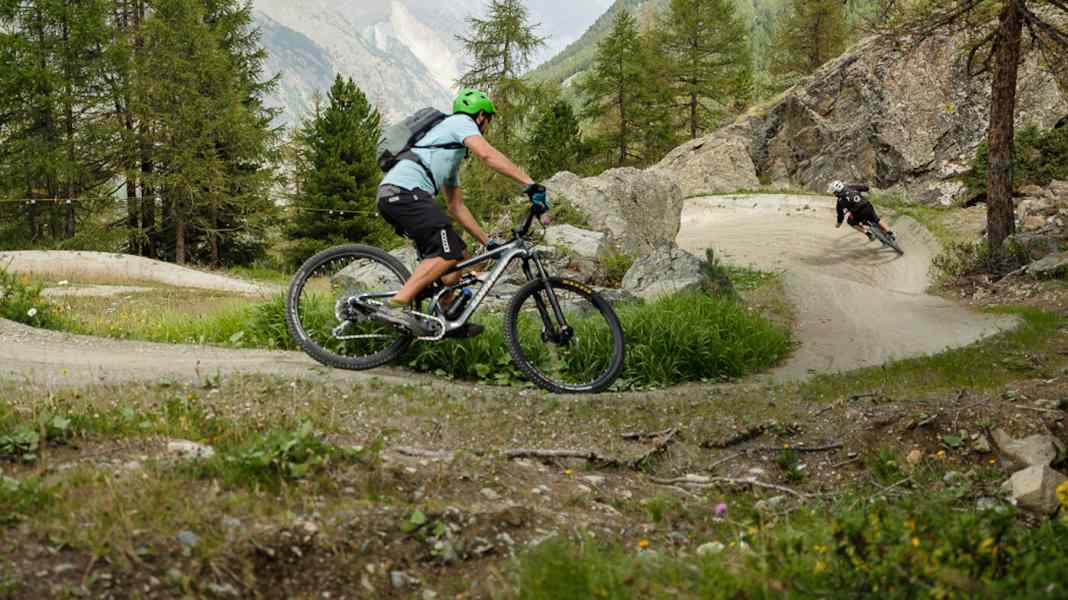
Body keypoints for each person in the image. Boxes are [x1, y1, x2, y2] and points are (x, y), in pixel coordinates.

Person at [374, 88, 548, 336]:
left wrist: (488, 242)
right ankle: (394, 306)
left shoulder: (449, 153)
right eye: (488, 120)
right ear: (480, 116)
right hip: (403, 193)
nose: (486, 126)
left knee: (457, 261)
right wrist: (529, 184)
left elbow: (456, 207)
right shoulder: (460, 122)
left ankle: (448, 321)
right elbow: (487, 154)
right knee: (449, 252)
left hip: (400, 196)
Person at [830, 180, 895, 242]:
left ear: (837, 192)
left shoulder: (839, 202)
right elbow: (865, 188)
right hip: (867, 207)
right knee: (877, 220)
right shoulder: (851, 187)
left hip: (858, 214)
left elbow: (840, 215)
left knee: (850, 221)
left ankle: (868, 234)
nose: (834, 194)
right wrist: (869, 192)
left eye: (834, 192)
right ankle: (890, 233)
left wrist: (838, 224)